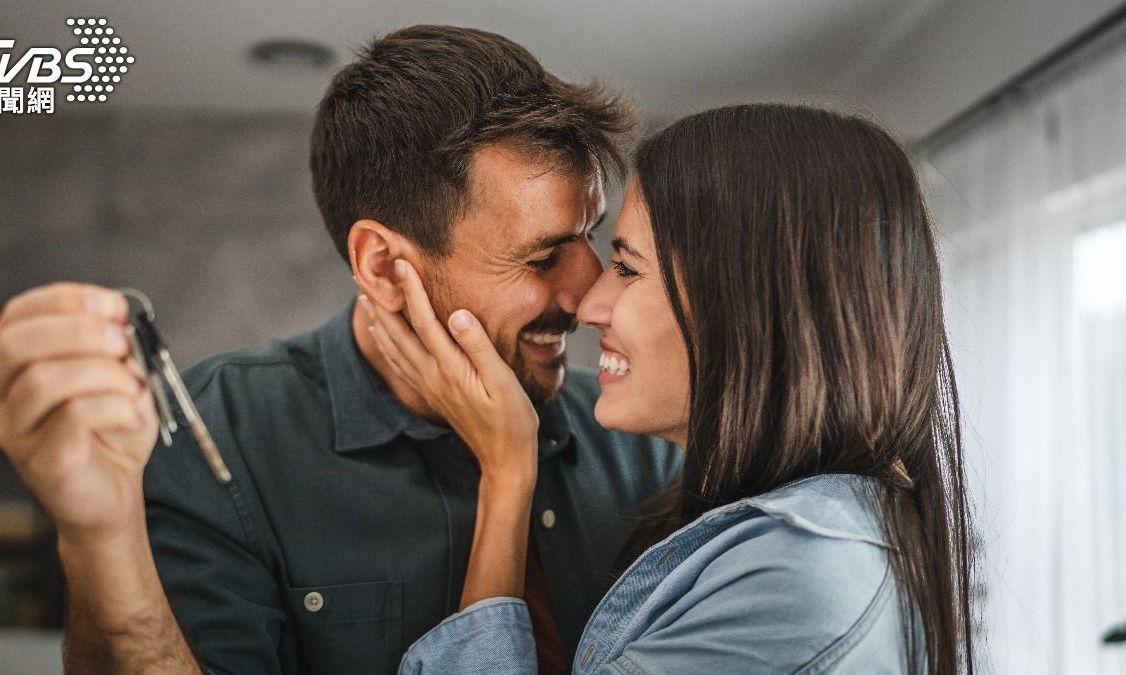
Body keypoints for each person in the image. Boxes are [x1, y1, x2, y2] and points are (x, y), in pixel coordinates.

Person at [0, 25, 682, 674]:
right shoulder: (220, 434)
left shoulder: (638, 436)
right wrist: (96, 539)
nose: (592, 296)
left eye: (589, 237)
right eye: (542, 256)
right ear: (380, 266)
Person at [364, 103, 978, 673]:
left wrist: (505, 475)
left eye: (628, 269)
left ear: (747, 308)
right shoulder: (772, 529)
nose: (590, 303)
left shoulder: (797, 576)